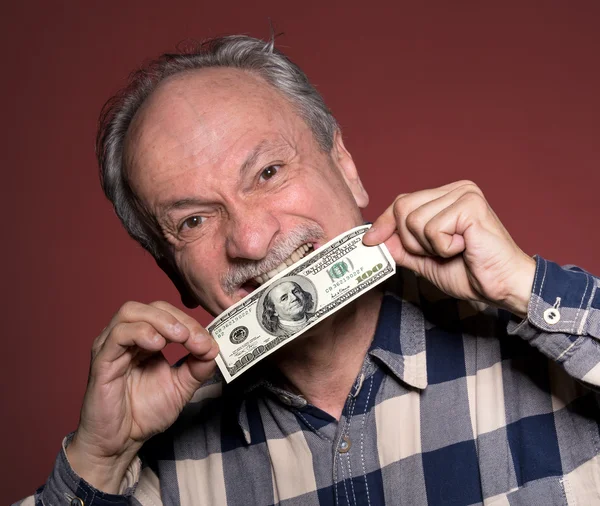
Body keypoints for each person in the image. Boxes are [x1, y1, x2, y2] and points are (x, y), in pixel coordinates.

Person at [16, 35, 600, 506]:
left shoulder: (554, 342)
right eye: (193, 221)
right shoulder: (152, 470)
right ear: (170, 270)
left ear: (344, 165)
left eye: (268, 172)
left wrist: (529, 289)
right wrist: (98, 459)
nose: (249, 239)